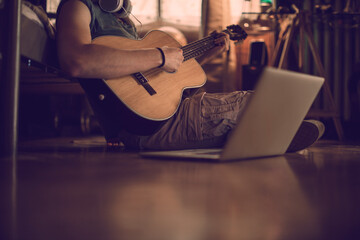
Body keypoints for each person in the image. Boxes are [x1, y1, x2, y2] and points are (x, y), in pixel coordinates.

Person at [56, 0, 324, 151]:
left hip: (164, 115)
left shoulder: (120, 22)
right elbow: (76, 61)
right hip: (148, 128)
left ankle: (253, 140)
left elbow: (152, 78)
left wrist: (207, 53)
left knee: (261, 104)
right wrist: (161, 55)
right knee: (254, 105)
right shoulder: (78, 6)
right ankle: (264, 139)